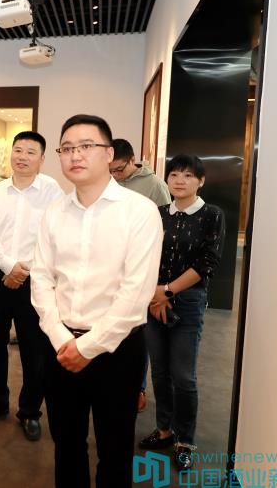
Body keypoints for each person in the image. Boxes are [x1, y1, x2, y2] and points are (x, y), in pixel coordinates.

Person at [30, 114, 163, 488]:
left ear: (108, 154)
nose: (75, 155)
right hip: (60, 346)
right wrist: (62, 338)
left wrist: (87, 347)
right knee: (66, 444)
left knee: (115, 449)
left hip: (117, 350)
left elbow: (135, 293)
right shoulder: (54, 212)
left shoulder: (139, 211)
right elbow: (41, 278)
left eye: (86, 146)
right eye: (67, 148)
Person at [0, 131, 63, 442]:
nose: (22, 156)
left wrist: (24, 270)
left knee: (34, 350)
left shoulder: (52, 191)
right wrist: (9, 266)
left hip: (35, 282)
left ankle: (29, 411)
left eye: (30, 152)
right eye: (18, 150)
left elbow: (54, 237)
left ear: (42, 158)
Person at [138, 155, 225, 471]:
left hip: (187, 302)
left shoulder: (211, 215)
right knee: (159, 372)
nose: (180, 180)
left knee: (183, 376)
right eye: (174, 174)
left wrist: (167, 291)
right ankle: (164, 429)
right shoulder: (159, 213)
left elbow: (207, 263)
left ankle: (185, 440)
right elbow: (145, 255)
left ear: (201, 181)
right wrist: (155, 294)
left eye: (188, 175)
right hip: (153, 299)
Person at [110, 138, 171, 412]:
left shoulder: (154, 185)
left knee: (137, 328)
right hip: (112, 268)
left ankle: (138, 388)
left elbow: (165, 227)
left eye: (119, 169)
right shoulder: (107, 182)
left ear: (132, 160)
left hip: (140, 267)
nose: (115, 175)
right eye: (111, 170)